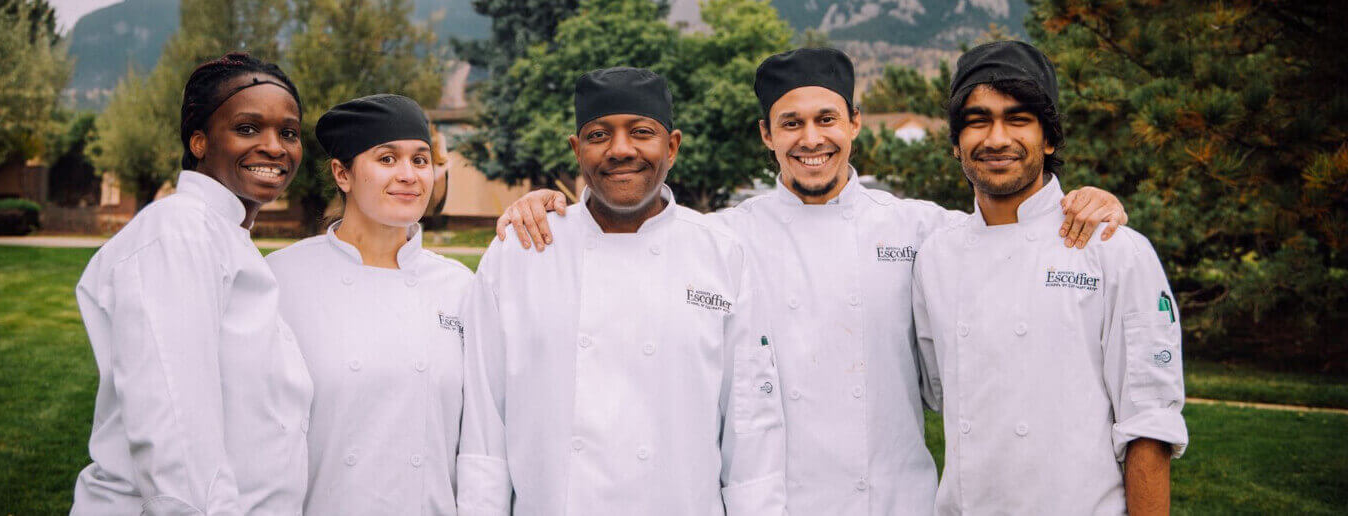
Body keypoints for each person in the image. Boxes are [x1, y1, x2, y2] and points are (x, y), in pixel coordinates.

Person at [493, 47, 1129, 515]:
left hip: (895, 501)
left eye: (827, 119)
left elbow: (1005, 237)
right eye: (790, 124)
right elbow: (637, 230)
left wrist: (1087, 201)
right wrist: (550, 204)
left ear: (855, 122)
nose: (811, 139)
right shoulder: (722, 239)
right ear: (767, 136)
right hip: (777, 502)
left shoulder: (920, 231)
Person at [456, 67, 787, 515]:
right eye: (598, 135)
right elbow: (483, 428)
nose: (621, 150)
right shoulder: (519, 253)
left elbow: (751, 428)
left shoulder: (721, 256)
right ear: (577, 150)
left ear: (672, 146)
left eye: (641, 132)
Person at [911, 40, 1188, 515]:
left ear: (1050, 137)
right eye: (978, 121)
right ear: (956, 143)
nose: (997, 139)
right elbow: (936, 388)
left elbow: (1149, 423)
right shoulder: (936, 256)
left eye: (1018, 119)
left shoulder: (1116, 249)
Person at [71, 52, 313, 515]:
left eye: (289, 132)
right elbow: (174, 431)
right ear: (199, 141)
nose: (275, 147)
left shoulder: (228, 238)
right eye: (247, 128)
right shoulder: (178, 231)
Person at [264, 94, 472, 514]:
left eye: (420, 160)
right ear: (342, 174)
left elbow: (478, 438)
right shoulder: (280, 280)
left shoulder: (460, 286)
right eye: (387, 159)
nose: (409, 175)